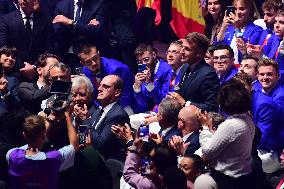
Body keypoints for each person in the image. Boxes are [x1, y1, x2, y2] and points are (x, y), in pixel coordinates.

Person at [194, 79, 257, 189]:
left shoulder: (230, 124)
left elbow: (207, 152)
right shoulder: (248, 119)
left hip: (227, 178)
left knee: (200, 180)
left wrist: (204, 127)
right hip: (243, 176)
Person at [6, 114, 79, 189]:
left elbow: (31, 143)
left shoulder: (11, 154)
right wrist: (67, 117)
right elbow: (74, 146)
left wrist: (49, 121)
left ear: (24, 135)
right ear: (44, 135)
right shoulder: (53, 158)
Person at [168, 32, 220, 112]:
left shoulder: (209, 75)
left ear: (199, 53)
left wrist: (186, 104)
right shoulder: (185, 67)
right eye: (182, 47)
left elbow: (211, 107)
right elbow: (179, 91)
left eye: (187, 49)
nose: (181, 51)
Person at [79, 44, 135, 114]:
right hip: (102, 106)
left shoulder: (117, 69)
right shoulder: (86, 70)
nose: (93, 63)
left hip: (127, 106)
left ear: (99, 54)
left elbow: (127, 96)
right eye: (88, 62)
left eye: (95, 58)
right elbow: (94, 95)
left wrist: (106, 112)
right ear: (83, 63)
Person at [52, 0, 109, 70]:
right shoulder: (61, 5)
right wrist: (85, 29)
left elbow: (95, 30)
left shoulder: (98, 4)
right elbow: (58, 32)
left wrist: (71, 23)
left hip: (90, 57)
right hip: (67, 54)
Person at [89, 75, 130, 161]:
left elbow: (101, 145)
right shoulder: (97, 112)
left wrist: (85, 120)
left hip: (105, 164)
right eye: (100, 85)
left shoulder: (118, 115)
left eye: (105, 87)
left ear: (117, 92)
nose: (99, 89)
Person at [0, 0, 53, 66]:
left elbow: (48, 48)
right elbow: (3, 46)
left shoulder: (45, 20)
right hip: (12, 67)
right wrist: (22, 66)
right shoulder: (6, 20)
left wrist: (34, 67)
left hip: (37, 69)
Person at [133, 43, 172, 112]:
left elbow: (164, 100)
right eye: (140, 61)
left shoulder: (166, 69)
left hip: (163, 111)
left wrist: (149, 84)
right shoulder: (142, 70)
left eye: (146, 59)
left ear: (154, 55)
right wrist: (137, 88)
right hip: (147, 112)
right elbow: (142, 105)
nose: (144, 64)